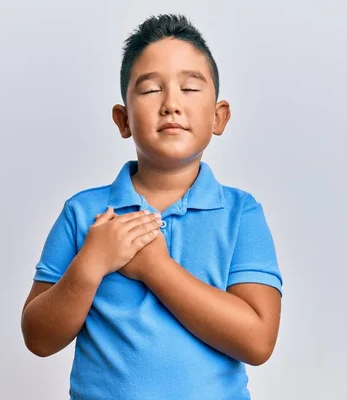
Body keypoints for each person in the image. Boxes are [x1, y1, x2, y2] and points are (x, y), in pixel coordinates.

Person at [21, 13, 283, 400]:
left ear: (218, 116)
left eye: (190, 88)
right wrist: (91, 263)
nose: (171, 104)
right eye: (149, 90)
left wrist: (155, 268)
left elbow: (258, 341)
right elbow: (38, 338)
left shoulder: (240, 213)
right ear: (123, 119)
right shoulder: (84, 213)